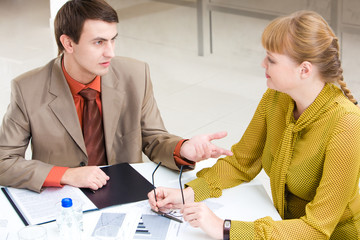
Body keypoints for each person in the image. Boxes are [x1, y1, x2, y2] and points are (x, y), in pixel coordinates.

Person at [148, 10, 360, 239]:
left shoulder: (346, 125)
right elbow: (242, 163)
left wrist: (224, 228)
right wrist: (187, 194)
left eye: (271, 59)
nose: (262, 63)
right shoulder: (277, 97)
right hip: (283, 228)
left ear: (304, 70)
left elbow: (317, 228)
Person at [0, 0, 232, 193]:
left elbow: (153, 139)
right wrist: (68, 174)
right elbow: (4, 162)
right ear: (68, 43)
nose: (111, 52)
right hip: (63, 198)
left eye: (113, 39)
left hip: (125, 193)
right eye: (99, 42)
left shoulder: (135, 74)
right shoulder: (27, 88)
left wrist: (182, 149)